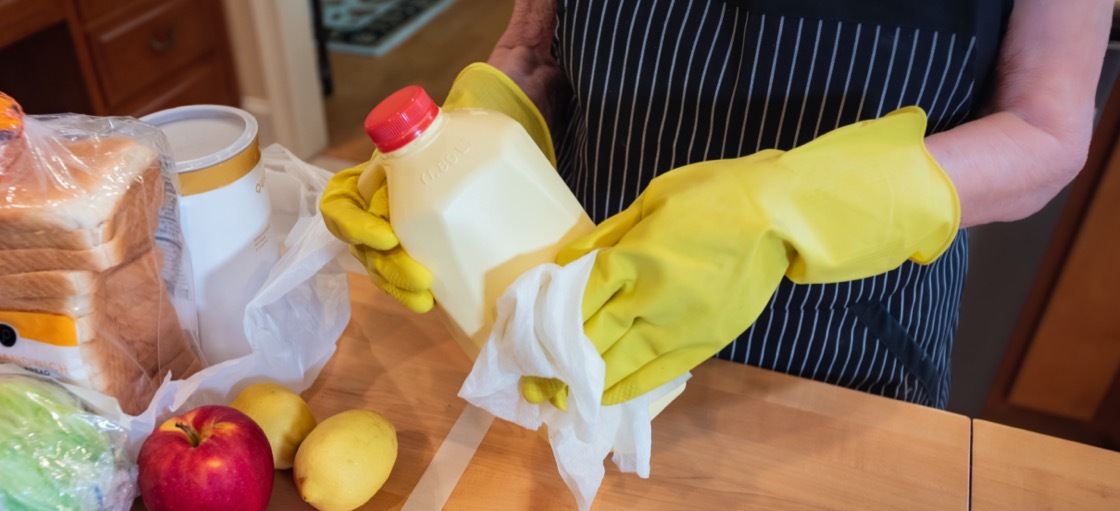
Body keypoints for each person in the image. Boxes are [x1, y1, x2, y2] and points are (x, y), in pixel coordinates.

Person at [321, 0, 1112, 410]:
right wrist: (456, 147)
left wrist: (783, 211)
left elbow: (1045, 130)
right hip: (590, 333)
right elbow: (535, 44)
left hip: (842, 361)